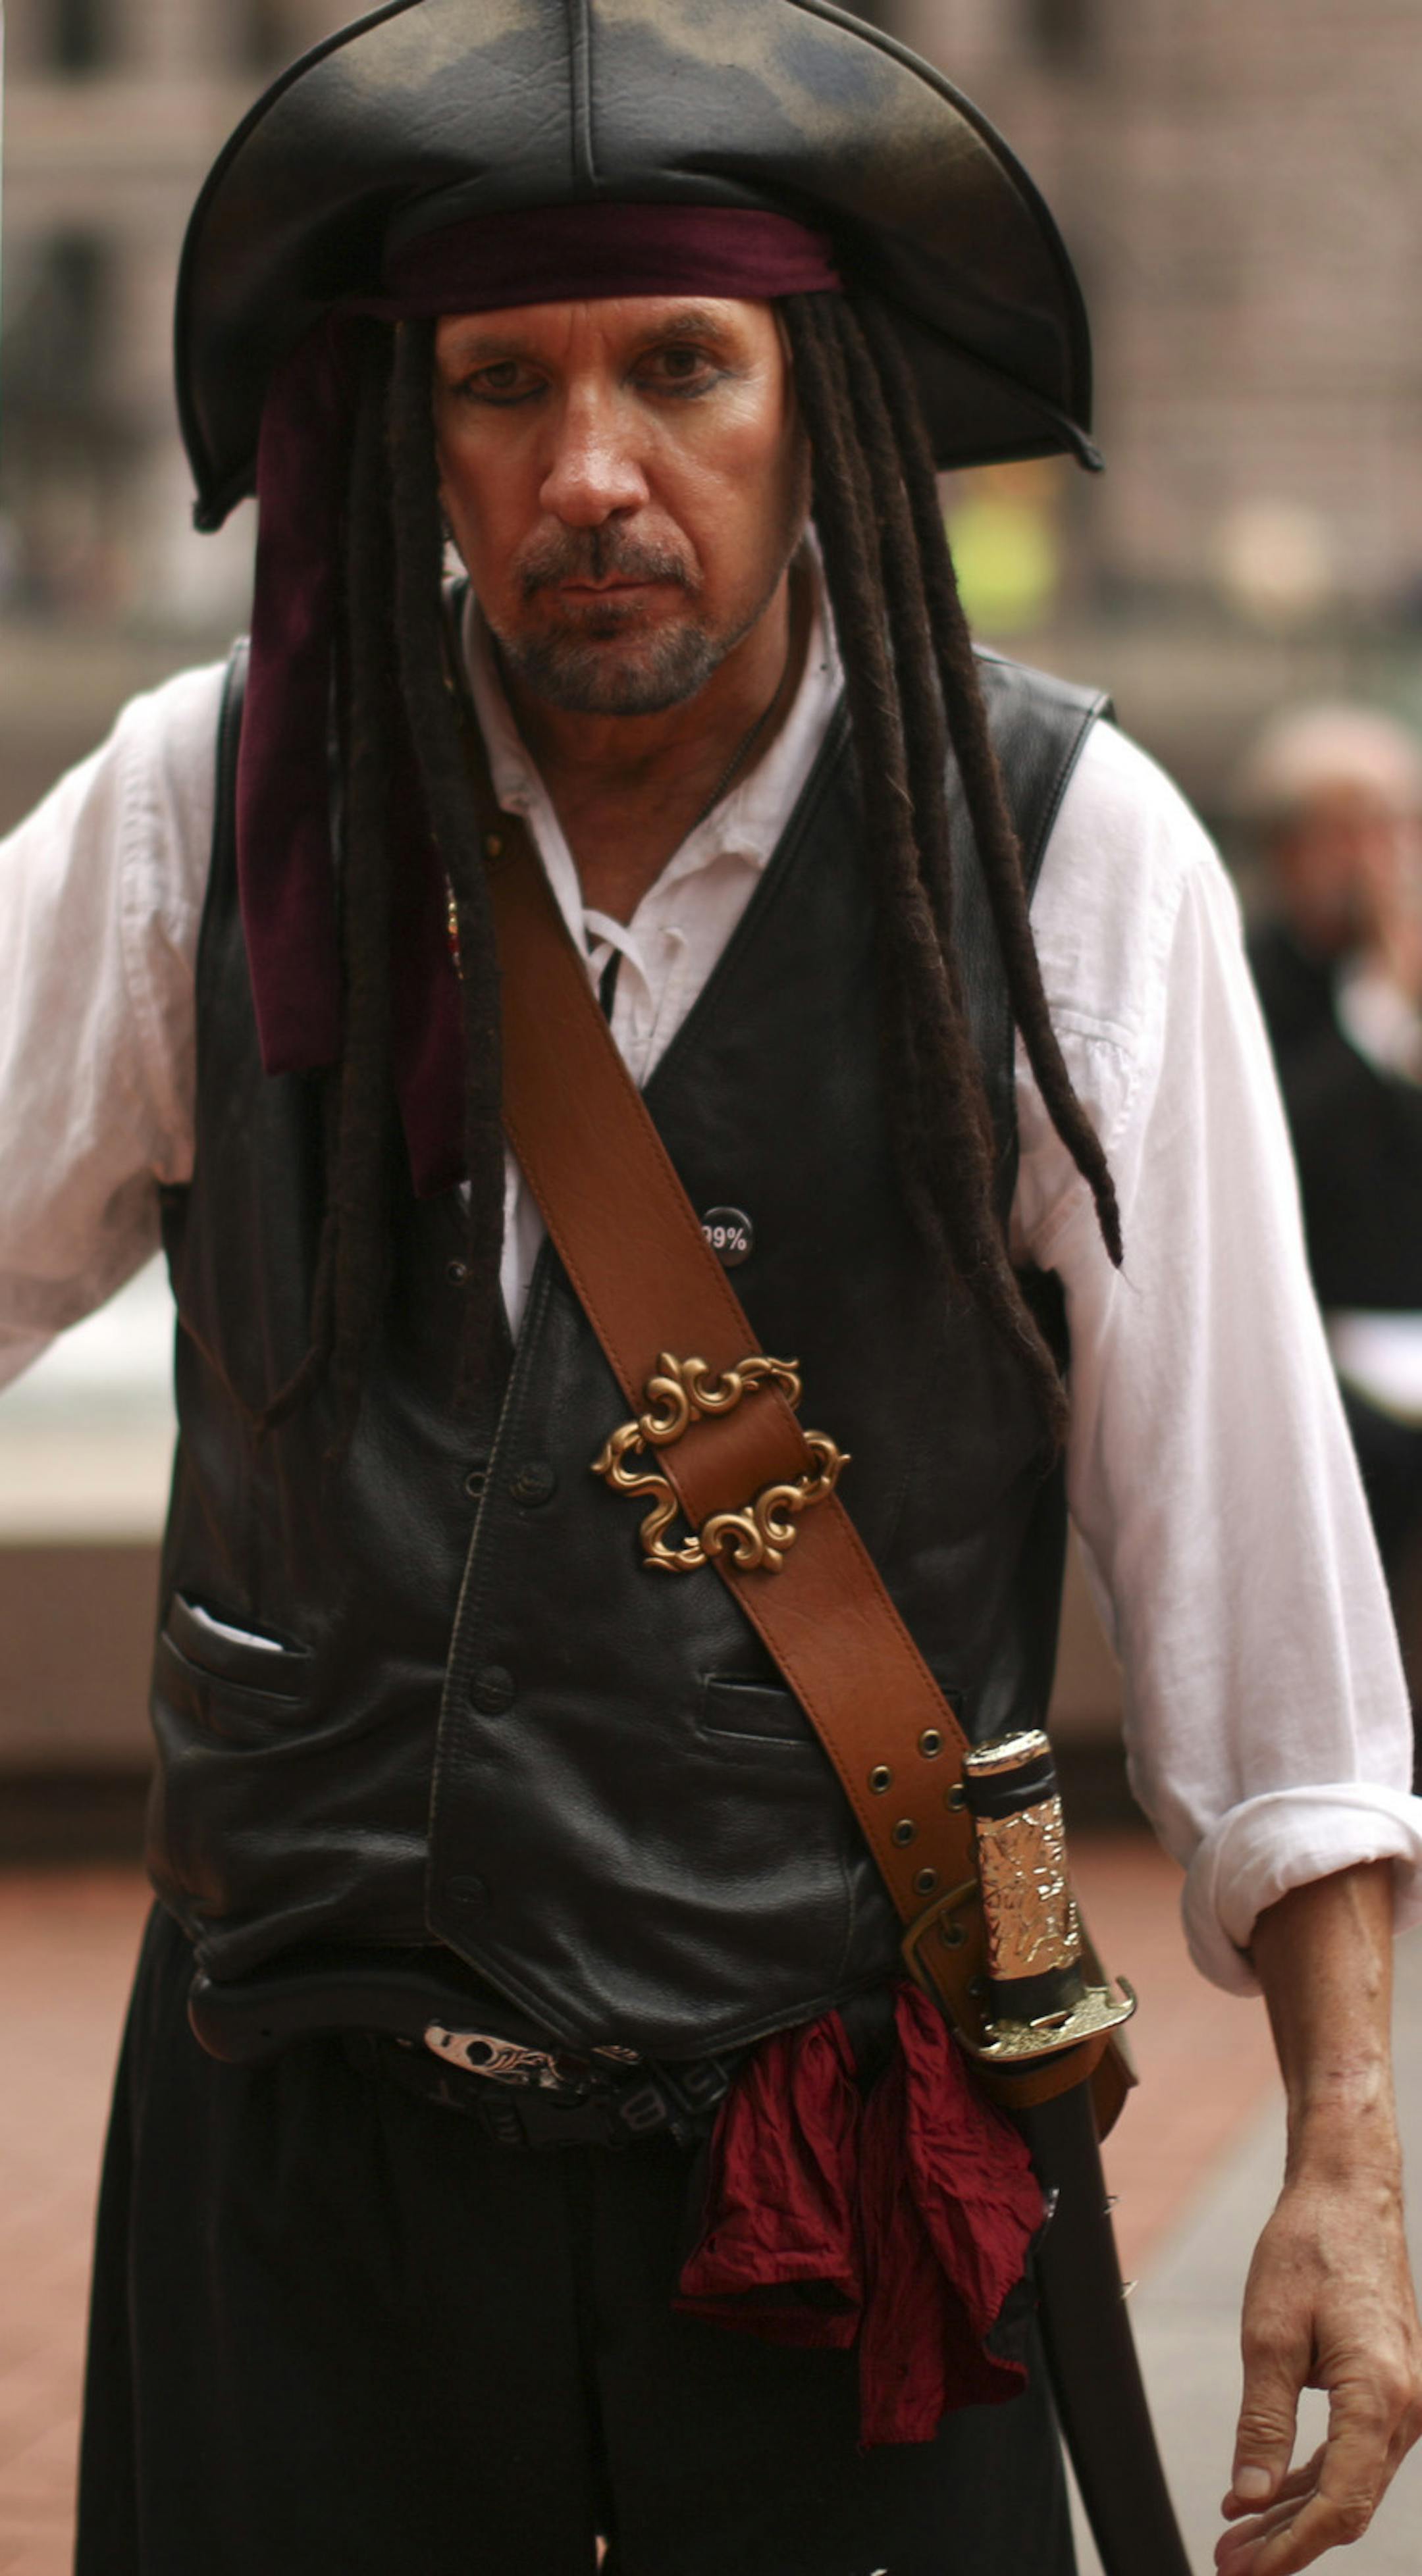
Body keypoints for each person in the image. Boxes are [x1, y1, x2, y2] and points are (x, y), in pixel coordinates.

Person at [1, 6, 1420, 2572]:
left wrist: (1345, 2157)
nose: (589, 470)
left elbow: (1262, 1590)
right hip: (301, 2162)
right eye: (501, 383)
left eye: (679, 365)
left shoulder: (1065, 852)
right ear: (410, 430)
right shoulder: (206, 808)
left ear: (817, 406)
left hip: (837, 2170)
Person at [1246, 708, 1422, 1753]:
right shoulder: (1254, 974)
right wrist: (1374, 1019)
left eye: (1393, 826)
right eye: (1344, 829)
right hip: (1317, 1330)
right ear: (1287, 847)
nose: (1373, 858)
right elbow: (1281, 1147)